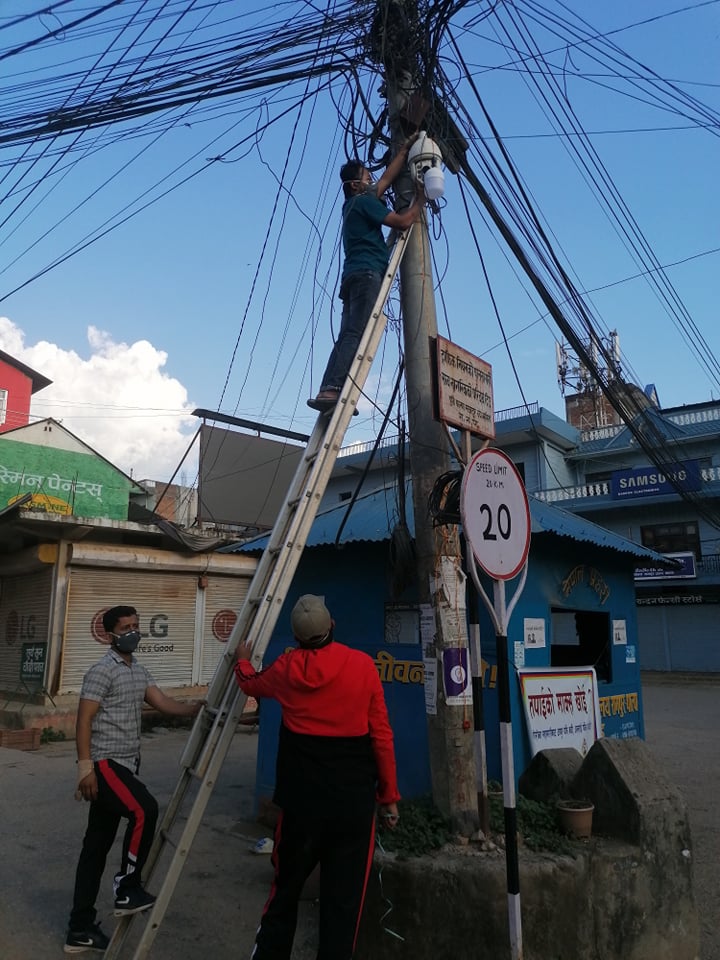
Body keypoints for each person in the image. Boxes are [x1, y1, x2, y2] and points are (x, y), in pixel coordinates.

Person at [234, 594, 400, 960]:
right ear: (332, 627)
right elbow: (381, 737)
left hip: (301, 807)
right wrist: (388, 797)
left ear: (295, 636)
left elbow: (251, 684)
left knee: (285, 890)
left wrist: (242, 662)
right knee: (343, 904)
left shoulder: (286, 669)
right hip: (352, 808)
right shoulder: (362, 666)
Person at [65, 605, 202, 955]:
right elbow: (83, 721)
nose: (134, 632)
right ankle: (127, 887)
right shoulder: (101, 671)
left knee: (94, 849)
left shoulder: (138, 670)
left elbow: (163, 703)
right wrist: (85, 769)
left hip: (127, 763)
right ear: (110, 634)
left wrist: (197, 709)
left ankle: (79, 929)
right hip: (107, 763)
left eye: (136, 626)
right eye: (126, 627)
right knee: (144, 810)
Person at [308, 138, 424, 412]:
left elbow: (386, 178)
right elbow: (402, 221)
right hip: (367, 274)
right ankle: (333, 388)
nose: (372, 181)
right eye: (366, 177)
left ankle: (331, 387)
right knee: (355, 334)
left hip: (353, 278)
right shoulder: (364, 202)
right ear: (355, 185)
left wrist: (404, 148)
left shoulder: (353, 205)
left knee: (348, 334)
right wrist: (421, 199)